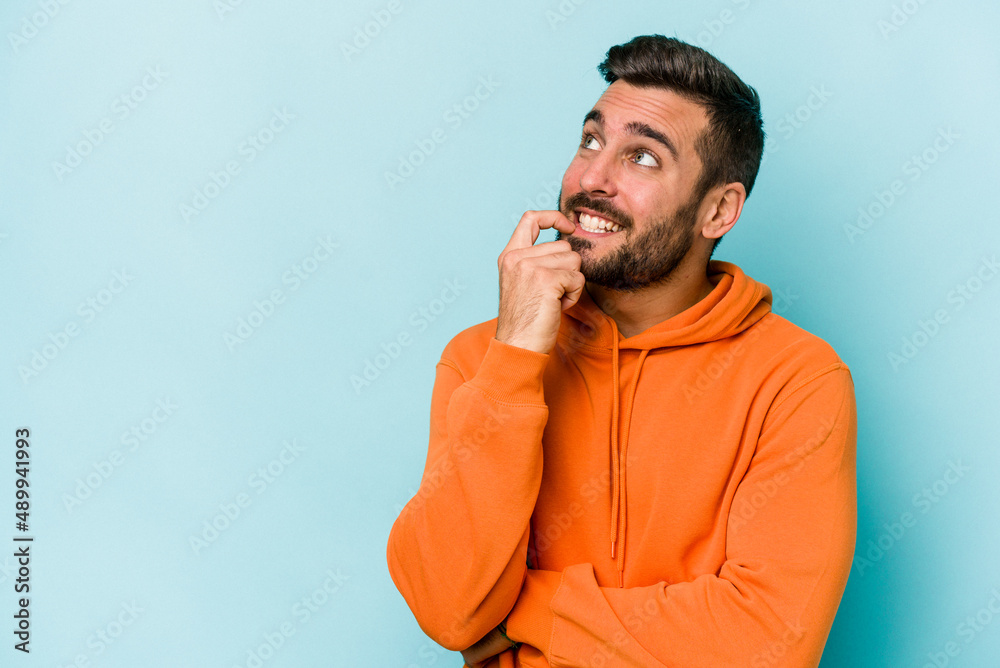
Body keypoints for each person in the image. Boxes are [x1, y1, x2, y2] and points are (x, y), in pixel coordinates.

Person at [387, 34, 857, 667]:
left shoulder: (796, 379)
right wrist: (518, 356)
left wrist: (525, 609)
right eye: (590, 141)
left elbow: (767, 643)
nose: (592, 179)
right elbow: (447, 609)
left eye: (642, 157)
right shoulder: (485, 359)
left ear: (718, 211)